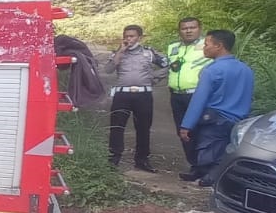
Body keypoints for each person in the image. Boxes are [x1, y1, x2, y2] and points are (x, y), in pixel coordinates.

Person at [178, 30, 254, 186]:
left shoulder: (212, 70)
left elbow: (199, 100)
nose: (204, 48)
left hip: (215, 118)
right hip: (239, 119)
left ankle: (209, 180)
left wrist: (186, 125)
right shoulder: (246, 69)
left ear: (219, 46)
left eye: (206, 44)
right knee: (227, 150)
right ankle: (206, 175)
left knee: (210, 152)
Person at [105, 24, 169, 172]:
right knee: (116, 127)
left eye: (132, 36)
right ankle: (114, 158)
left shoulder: (149, 52)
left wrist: (155, 78)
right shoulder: (118, 52)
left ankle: (142, 159)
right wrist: (120, 51)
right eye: (126, 36)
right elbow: (108, 70)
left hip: (143, 94)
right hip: (122, 94)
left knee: (143, 128)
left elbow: (168, 65)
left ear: (139, 37)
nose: (129, 39)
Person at [166, 18, 211, 168]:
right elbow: (170, 68)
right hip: (176, 95)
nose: (188, 31)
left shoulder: (207, 46)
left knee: (200, 130)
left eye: (192, 27)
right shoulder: (173, 47)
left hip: (197, 95)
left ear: (200, 28)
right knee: (183, 131)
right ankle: (193, 165)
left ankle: (205, 166)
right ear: (179, 31)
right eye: (185, 28)